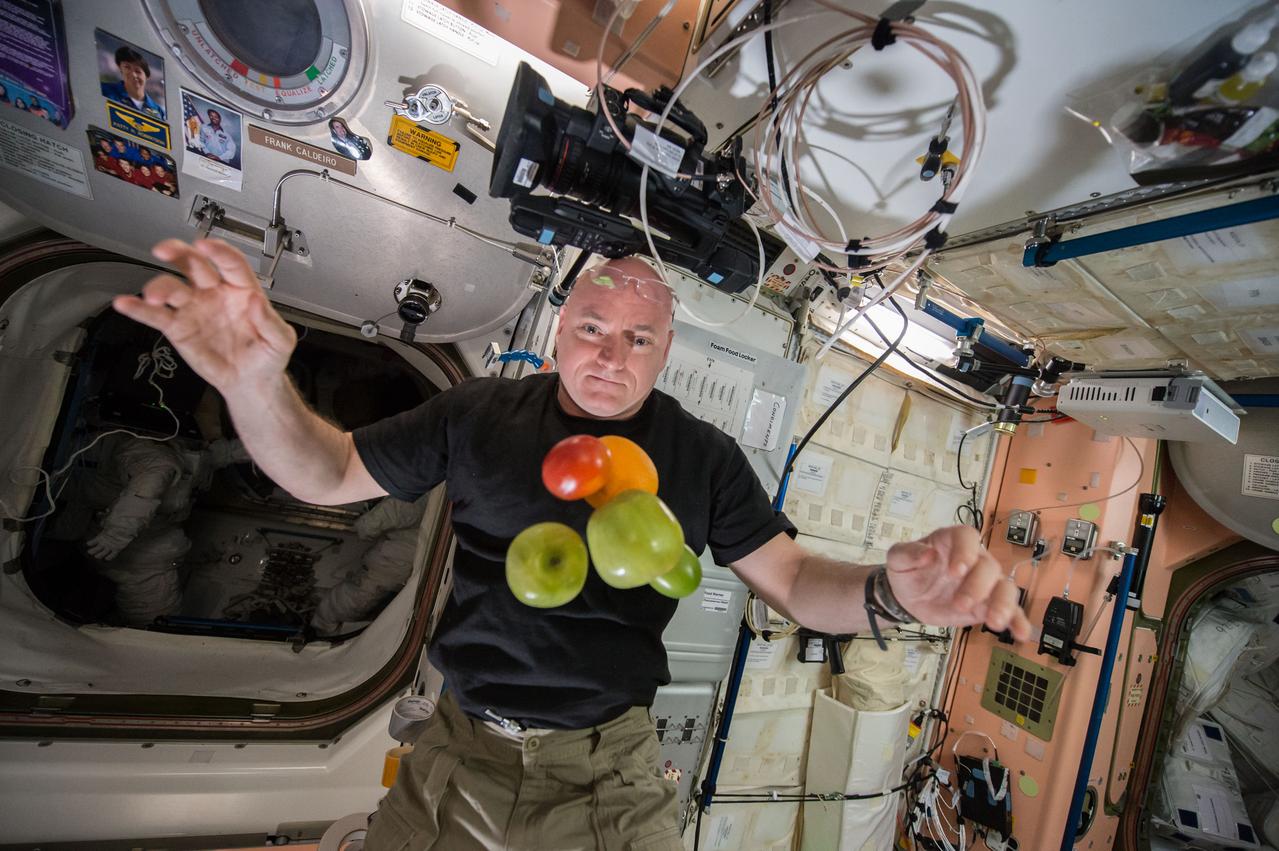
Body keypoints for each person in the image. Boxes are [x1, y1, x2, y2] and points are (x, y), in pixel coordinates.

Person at [113, 239, 1032, 850]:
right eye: (591, 329)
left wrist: (890, 593)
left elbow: (792, 579)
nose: (610, 354)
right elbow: (326, 471)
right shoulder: (477, 415)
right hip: (455, 752)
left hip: (609, 775)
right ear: (559, 331)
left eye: (638, 338)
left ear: (665, 351)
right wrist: (254, 387)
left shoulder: (703, 458)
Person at [50, 431, 246, 626]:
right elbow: (154, 474)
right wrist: (116, 534)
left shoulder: (182, 451)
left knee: (154, 618)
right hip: (136, 554)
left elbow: (222, 454)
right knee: (154, 623)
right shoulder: (149, 455)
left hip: (146, 540)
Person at [310, 494, 430, 635]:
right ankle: (324, 618)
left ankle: (323, 629)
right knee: (359, 593)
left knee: (359, 596)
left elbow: (396, 510)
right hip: (399, 554)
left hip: (398, 558)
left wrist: (365, 526)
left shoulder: (413, 497)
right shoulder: (417, 491)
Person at [101, 45, 165, 119]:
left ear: (147, 77)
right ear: (120, 70)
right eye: (127, 68)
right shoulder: (104, 90)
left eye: (138, 71)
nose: (133, 75)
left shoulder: (158, 111)